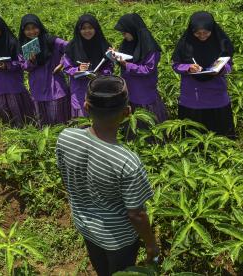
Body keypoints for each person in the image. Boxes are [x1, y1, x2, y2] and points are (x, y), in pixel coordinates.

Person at [56, 75, 159, 275]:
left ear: (86, 106)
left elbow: (66, 177)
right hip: (118, 240)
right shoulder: (127, 162)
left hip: (85, 226)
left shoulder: (65, 138)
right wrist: (151, 244)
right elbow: (136, 214)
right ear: (127, 112)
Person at [172, 11, 235, 138]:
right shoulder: (185, 44)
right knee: (192, 135)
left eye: (206, 32)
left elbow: (229, 64)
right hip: (193, 96)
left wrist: (220, 69)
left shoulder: (221, 43)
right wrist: (188, 67)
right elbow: (176, 65)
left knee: (219, 135)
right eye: (197, 33)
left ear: (212, 29)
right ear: (191, 31)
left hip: (216, 95)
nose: (202, 36)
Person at [0, 14, 34, 127]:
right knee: (0, 106)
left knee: (16, 105)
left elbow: (21, 63)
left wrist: (8, 66)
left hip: (12, 80)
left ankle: (23, 127)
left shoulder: (12, 42)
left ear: (1, 28)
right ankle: (6, 128)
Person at [114, 13, 167, 123]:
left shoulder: (150, 48)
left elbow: (148, 69)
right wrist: (114, 55)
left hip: (144, 92)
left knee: (146, 122)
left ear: (133, 30)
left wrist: (127, 65)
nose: (123, 36)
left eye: (125, 33)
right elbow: (123, 61)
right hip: (129, 89)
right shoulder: (127, 43)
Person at [18, 14, 70, 126]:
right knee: (43, 119)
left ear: (40, 27)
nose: (32, 32)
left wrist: (62, 63)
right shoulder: (23, 46)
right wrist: (31, 61)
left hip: (54, 83)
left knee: (59, 118)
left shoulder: (52, 41)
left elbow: (71, 48)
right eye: (28, 29)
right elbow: (24, 67)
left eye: (34, 28)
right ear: (23, 31)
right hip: (37, 85)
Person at [63, 14, 113, 118]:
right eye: (83, 28)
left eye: (90, 28)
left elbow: (110, 66)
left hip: (98, 87)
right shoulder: (71, 47)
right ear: (78, 30)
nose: (87, 31)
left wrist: (101, 74)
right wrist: (78, 69)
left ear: (96, 28)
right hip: (79, 90)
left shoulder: (103, 45)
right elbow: (67, 68)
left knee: (98, 115)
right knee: (82, 119)